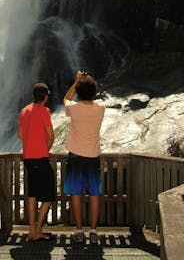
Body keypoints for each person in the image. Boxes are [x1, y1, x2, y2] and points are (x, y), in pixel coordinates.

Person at [63, 71, 105, 244]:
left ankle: (79, 230)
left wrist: (76, 81)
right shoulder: (100, 108)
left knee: (75, 194)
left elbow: (66, 98)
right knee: (95, 194)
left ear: (79, 92)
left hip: (75, 156)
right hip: (93, 157)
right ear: (94, 91)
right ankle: (93, 231)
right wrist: (84, 81)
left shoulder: (73, 109)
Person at [17, 82, 56, 242]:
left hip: (28, 158)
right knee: (48, 196)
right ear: (45, 96)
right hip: (41, 158)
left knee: (32, 194)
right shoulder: (44, 111)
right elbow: (51, 135)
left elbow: (20, 134)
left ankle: (31, 231)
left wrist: (31, 143)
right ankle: (39, 229)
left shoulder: (24, 111)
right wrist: (44, 148)